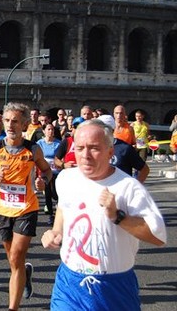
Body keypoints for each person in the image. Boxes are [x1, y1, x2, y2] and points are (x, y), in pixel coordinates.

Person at [41, 119, 166, 311]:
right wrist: (56, 231)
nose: (85, 155)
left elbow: (158, 237)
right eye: (80, 148)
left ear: (110, 152)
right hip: (69, 283)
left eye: (94, 148)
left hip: (114, 286)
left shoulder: (128, 187)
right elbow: (64, 206)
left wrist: (118, 216)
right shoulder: (66, 179)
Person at [0, 102, 50, 311]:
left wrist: (43, 181)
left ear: (24, 124)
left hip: (27, 209)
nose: (10, 125)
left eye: (15, 121)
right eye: (7, 120)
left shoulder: (33, 149)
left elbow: (46, 171)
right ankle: (24, 273)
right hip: (3, 210)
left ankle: (12, 308)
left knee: (16, 256)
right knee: (13, 261)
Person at [98, 115, 150, 183]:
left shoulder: (125, 148)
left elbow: (144, 170)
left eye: (100, 128)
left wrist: (134, 186)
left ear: (112, 130)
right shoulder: (93, 148)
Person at [36, 123, 61, 225]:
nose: (51, 131)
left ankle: (58, 207)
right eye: (48, 129)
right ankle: (50, 215)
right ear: (44, 131)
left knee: (55, 194)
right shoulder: (39, 143)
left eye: (52, 129)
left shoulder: (58, 143)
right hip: (44, 172)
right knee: (47, 194)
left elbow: (61, 157)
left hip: (56, 172)